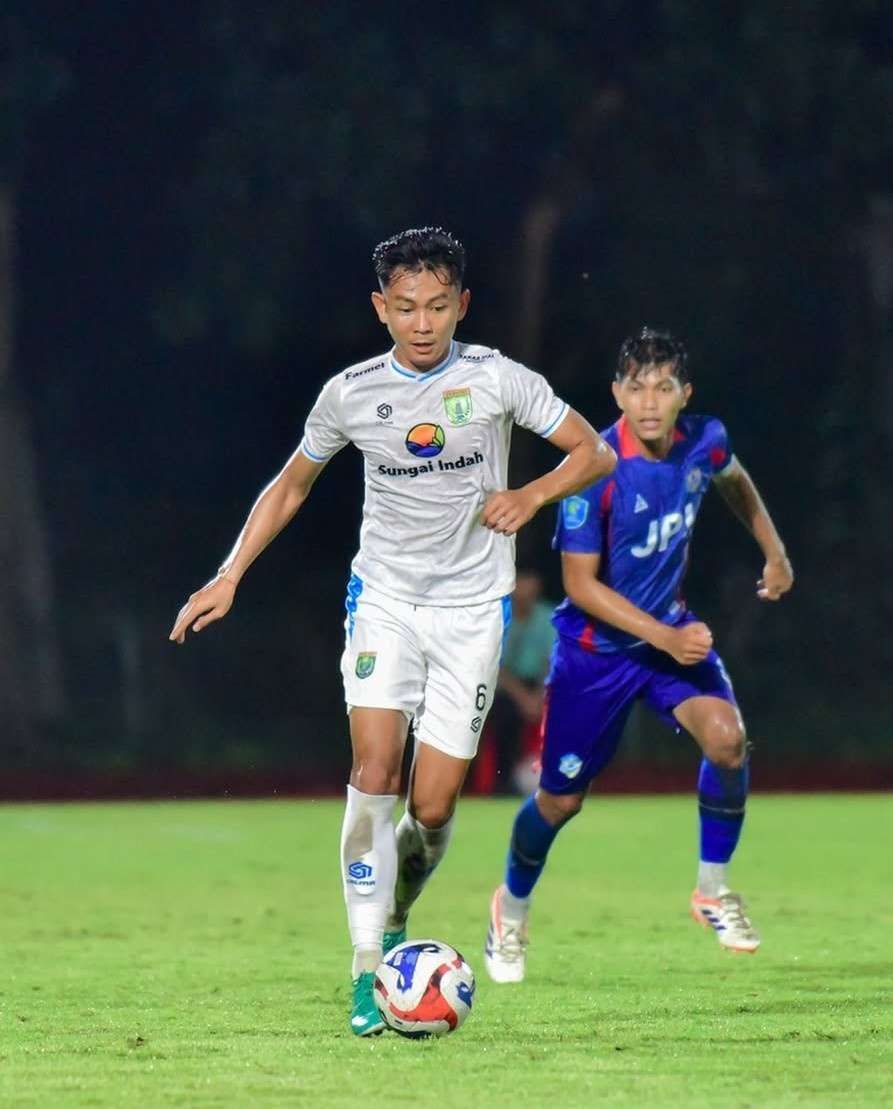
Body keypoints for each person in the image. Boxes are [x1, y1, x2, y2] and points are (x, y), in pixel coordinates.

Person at [168, 228, 616, 1034]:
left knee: (432, 807)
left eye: (437, 306)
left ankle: (399, 908)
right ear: (380, 308)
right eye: (406, 307)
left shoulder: (495, 378)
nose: (422, 322)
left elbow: (593, 452)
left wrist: (531, 494)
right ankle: (365, 963)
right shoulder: (350, 393)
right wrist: (229, 573)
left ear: (461, 304)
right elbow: (291, 485)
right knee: (374, 767)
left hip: (473, 611)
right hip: (384, 601)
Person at [485, 328, 793, 984]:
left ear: (685, 393)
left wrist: (773, 551)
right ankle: (510, 908)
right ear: (616, 393)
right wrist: (666, 638)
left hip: (666, 638)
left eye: (662, 387)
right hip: (593, 656)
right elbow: (579, 586)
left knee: (727, 741)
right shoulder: (592, 469)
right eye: (636, 387)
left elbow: (734, 480)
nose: (649, 401)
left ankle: (712, 890)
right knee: (559, 802)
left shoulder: (704, 440)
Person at [481, 569, 555, 794]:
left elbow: (551, 662)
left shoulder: (548, 617)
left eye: (528, 580)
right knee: (504, 713)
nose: (524, 587)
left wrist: (539, 697)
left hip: (541, 686)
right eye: (519, 580)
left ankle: (563, 779)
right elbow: (496, 667)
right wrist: (524, 699)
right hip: (504, 688)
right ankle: (503, 783)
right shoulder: (497, 615)